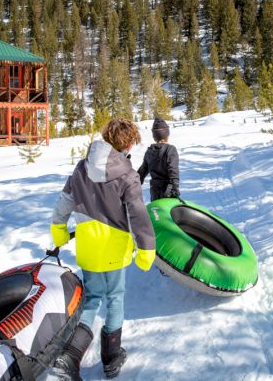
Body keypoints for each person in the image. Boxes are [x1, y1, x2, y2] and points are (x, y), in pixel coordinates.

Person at [49, 118, 156, 380]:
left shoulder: (81, 168)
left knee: (92, 298)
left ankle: (70, 357)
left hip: (88, 248)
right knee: (115, 298)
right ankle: (111, 356)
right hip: (115, 249)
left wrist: (59, 230)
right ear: (129, 143)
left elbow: (64, 202)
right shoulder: (128, 174)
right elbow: (138, 214)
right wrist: (146, 249)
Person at [137, 117, 180, 201]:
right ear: (167, 134)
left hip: (154, 191)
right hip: (168, 191)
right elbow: (173, 170)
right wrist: (175, 188)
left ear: (154, 136)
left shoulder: (149, 151)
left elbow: (141, 172)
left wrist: (133, 185)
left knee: (157, 213)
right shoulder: (170, 149)